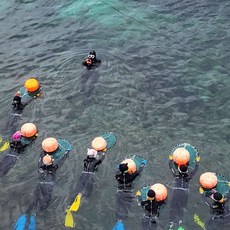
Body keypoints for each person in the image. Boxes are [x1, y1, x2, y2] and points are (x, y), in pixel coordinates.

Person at [65, 136, 108, 228]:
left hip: (82, 175)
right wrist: (104, 152)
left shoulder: (85, 160)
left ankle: (69, 205)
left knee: (78, 189)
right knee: (86, 192)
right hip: (90, 176)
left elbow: (90, 156)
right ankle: (78, 204)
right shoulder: (95, 162)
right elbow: (101, 160)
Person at [168, 144, 199, 230]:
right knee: (181, 208)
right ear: (187, 170)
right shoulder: (189, 177)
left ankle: (171, 224)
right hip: (185, 193)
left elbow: (170, 167)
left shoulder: (176, 176)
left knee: (173, 207)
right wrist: (197, 161)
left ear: (179, 169)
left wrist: (171, 159)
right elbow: (195, 169)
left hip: (176, 192)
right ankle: (180, 223)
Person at [113, 156, 146, 230]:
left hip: (119, 193)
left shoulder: (117, 176)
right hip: (128, 194)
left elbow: (118, 171)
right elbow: (139, 171)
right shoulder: (131, 176)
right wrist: (143, 164)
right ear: (128, 169)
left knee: (119, 207)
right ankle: (121, 223)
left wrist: (118, 167)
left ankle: (118, 221)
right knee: (126, 208)